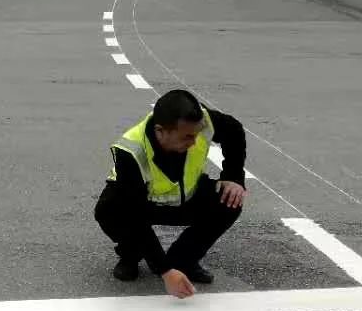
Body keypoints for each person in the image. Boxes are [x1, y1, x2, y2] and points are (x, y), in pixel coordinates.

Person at [94, 88, 247, 298]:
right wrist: (164, 271)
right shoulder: (130, 151)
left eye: (195, 135)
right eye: (187, 137)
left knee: (230, 200)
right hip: (142, 206)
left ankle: (183, 261)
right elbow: (136, 217)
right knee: (110, 209)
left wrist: (234, 176)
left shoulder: (202, 121)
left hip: (187, 197)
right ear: (160, 131)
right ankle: (131, 254)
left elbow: (234, 130)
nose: (194, 142)